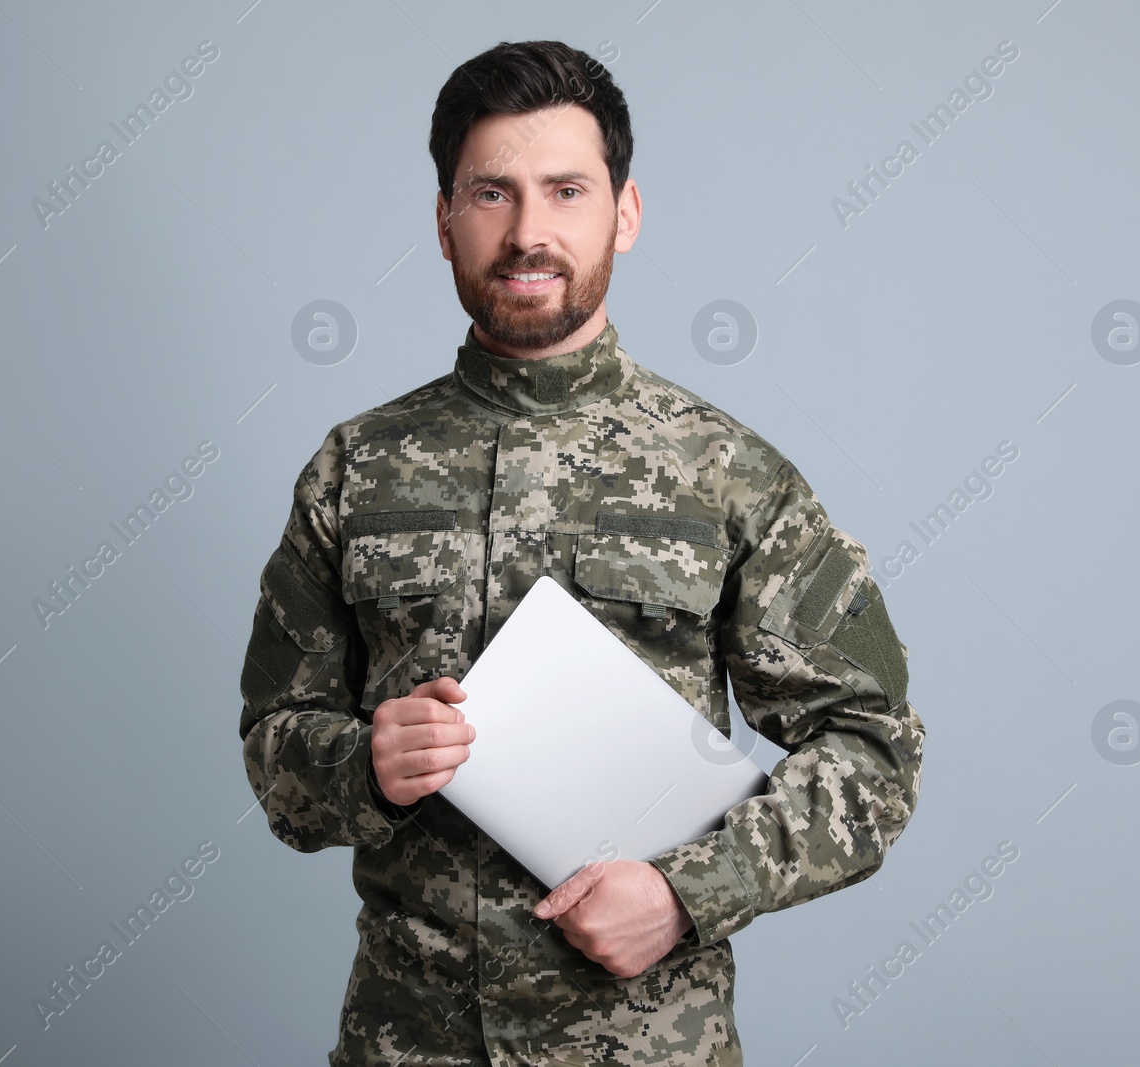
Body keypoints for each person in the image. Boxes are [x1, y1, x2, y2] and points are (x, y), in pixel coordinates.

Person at [238, 39, 925, 1067]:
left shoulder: (729, 474)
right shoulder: (356, 470)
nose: (528, 232)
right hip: (405, 1042)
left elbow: (875, 752)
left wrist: (687, 893)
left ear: (625, 212)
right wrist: (364, 765)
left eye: (566, 189)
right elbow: (272, 747)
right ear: (442, 221)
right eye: (490, 193)